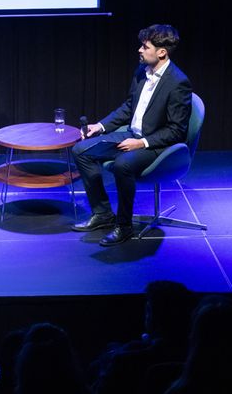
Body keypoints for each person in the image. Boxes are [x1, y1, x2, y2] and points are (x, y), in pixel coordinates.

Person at [71, 24, 192, 246]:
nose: (140, 50)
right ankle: (102, 214)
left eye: (145, 47)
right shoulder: (141, 71)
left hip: (157, 145)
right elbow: (129, 107)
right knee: (81, 150)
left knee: (122, 165)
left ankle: (124, 226)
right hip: (131, 134)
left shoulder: (178, 83)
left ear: (161, 52)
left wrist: (141, 143)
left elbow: (177, 130)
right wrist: (101, 126)